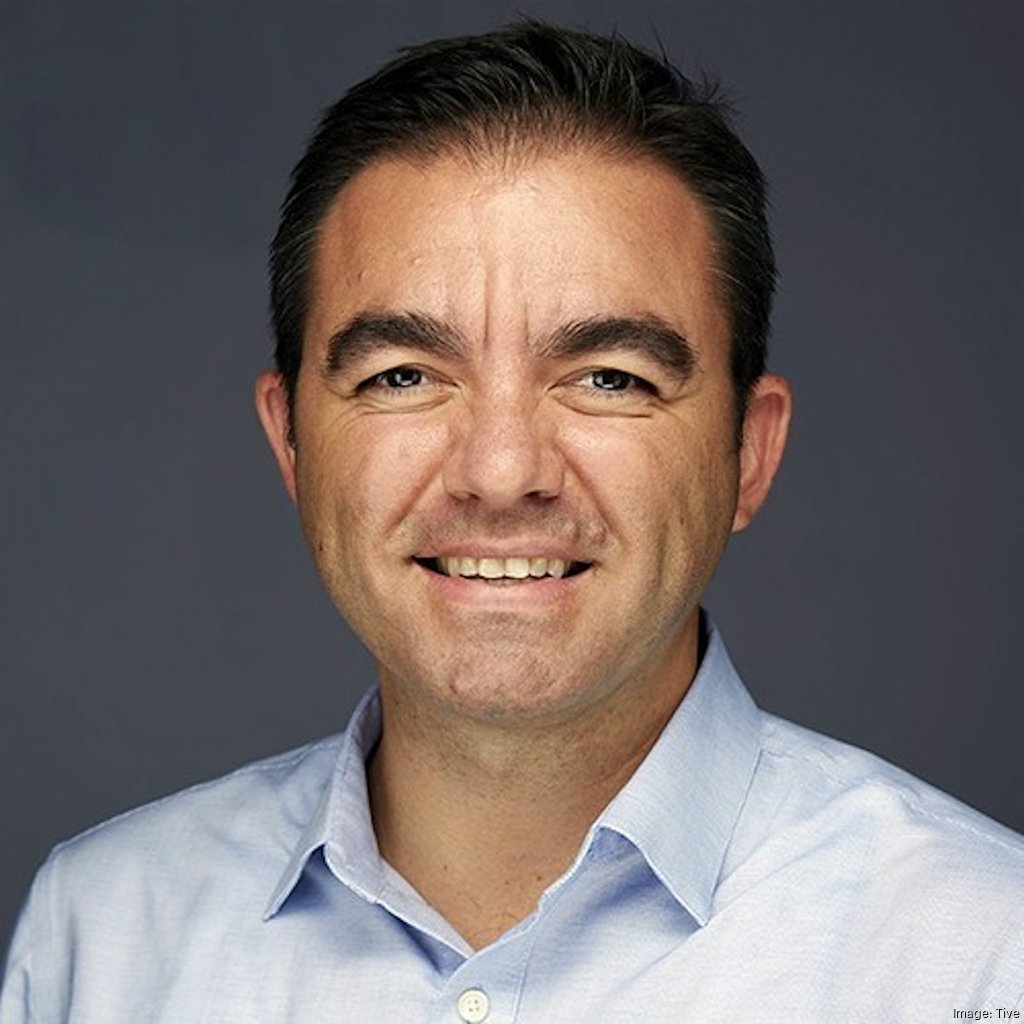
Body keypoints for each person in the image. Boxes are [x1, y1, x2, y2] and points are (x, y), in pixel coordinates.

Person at [2, 20, 1021, 1023]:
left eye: (608, 377)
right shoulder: (100, 939)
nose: (499, 473)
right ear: (291, 445)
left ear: (748, 453)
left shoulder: (980, 955)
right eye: (403, 375)